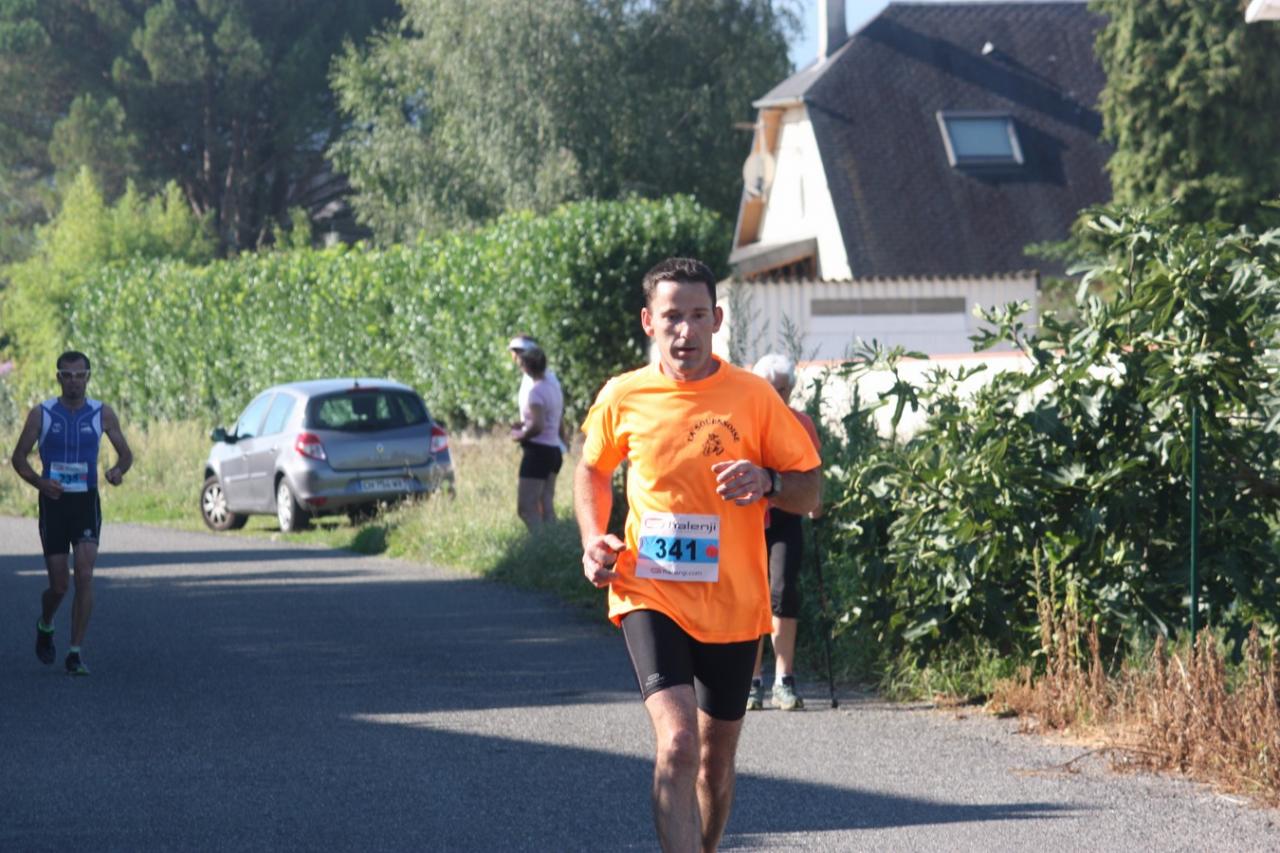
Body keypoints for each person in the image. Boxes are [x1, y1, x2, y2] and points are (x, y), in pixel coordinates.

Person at [575, 258, 821, 852]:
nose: (684, 330)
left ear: (718, 319)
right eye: (671, 317)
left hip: (734, 601)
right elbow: (592, 469)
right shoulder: (624, 395)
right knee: (679, 743)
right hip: (649, 589)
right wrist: (593, 538)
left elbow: (810, 489)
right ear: (648, 322)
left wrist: (767, 480)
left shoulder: (753, 396)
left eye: (696, 315)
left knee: (714, 762)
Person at [10, 351, 133, 676]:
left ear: (88, 377)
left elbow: (126, 455)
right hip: (53, 503)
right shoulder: (42, 414)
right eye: (68, 375)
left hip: (85, 502)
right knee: (60, 585)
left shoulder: (102, 413)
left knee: (85, 573)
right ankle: (46, 622)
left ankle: (75, 652)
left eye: (80, 375)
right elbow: (18, 458)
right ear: (59, 377)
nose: (74, 381)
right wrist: (39, 482)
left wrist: (117, 471)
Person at [747, 353, 823, 712]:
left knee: (782, 591)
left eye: (783, 390)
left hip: (787, 515)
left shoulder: (801, 423)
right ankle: (751, 682)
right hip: (749, 518)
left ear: (791, 391)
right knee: (751, 596)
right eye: (770, 389)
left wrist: (815, 502)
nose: (777, 397)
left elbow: (813, 470)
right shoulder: (746, 421)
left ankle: (784, 680)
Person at [510, 345, 564, 529]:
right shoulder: (553, 387)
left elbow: (539, 426)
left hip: (538, 453)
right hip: (554, 451)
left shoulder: (535, 392)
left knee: (526, 508)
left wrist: (521, 435)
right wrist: (525, 424)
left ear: (526, 367)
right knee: (546, 505)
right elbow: (551, 419)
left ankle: (539, 541)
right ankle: (553, 541)